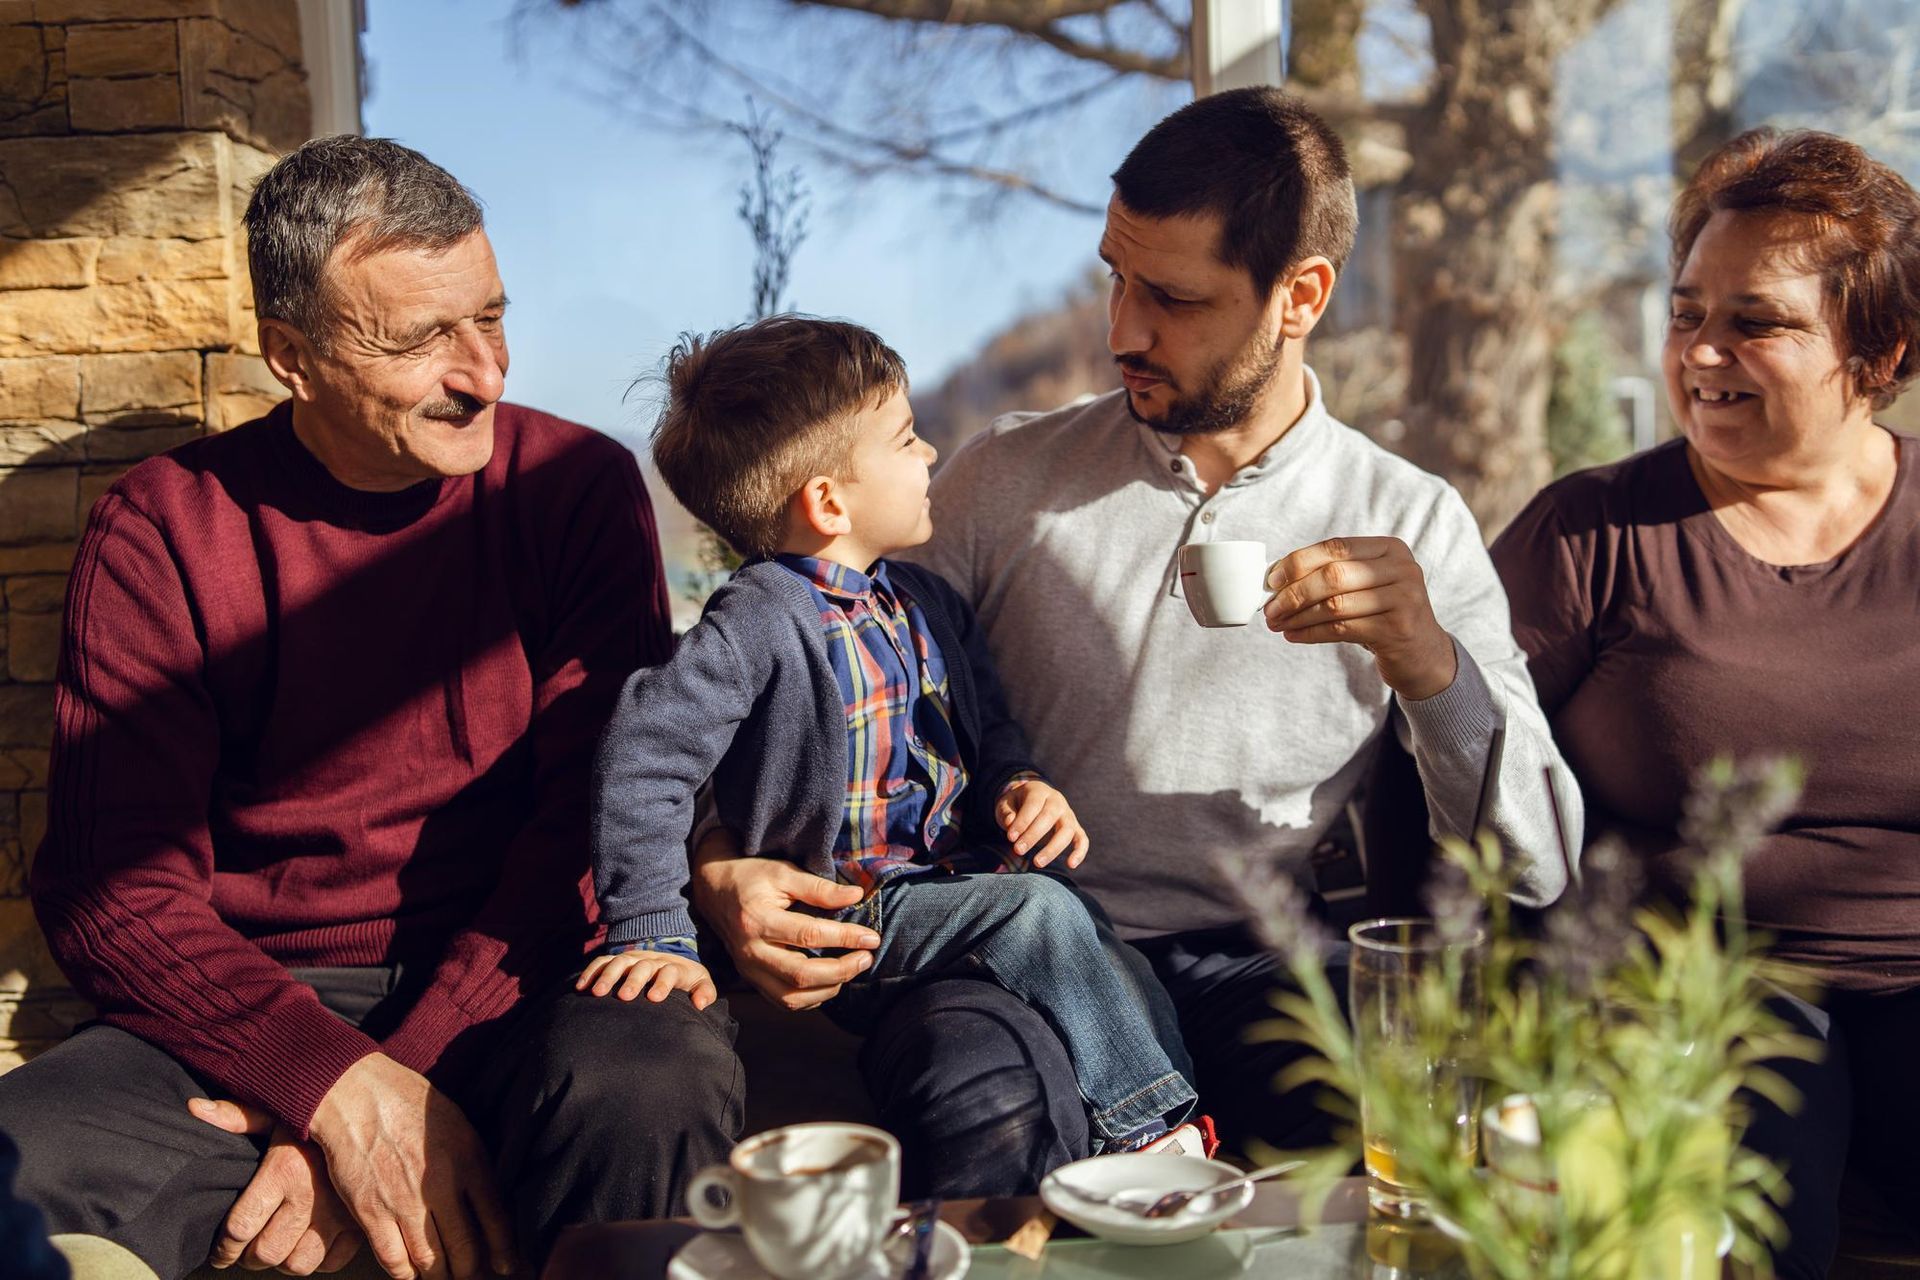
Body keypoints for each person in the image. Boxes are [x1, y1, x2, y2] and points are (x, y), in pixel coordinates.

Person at [688, 86, 1580, 1190]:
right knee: (978, 1100)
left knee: (1397, 1113)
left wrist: (1429, 666)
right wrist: (721, 857)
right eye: (1115, 276)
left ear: (1299, 296)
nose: (1122, 331)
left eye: (1170, 296)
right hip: (1003, 948)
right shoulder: (1000, 481)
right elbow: (805, 671)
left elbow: (1540, 857)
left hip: (1256, 953)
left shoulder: (1409, 519)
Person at [0, 136, 741, 1280]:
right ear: (291, 356)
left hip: (518, 987)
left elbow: (591, 837)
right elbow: (114, 894)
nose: (484, 372)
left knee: (651, 1077)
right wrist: (334, 1091)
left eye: (490, 317)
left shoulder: (573, 489)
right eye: (419, 339)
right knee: (22, 1152)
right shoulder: (160, 528)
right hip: (254, 1007)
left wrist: (412, 1078)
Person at [583, 315, 1206, 1157]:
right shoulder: (760, 618)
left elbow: (988, 734)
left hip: (953, 886)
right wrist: (653, 925)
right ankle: (1152, 1138)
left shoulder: (924, 602)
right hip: (852, 914)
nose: (929, 457)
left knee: (1090, 928)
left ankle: (1181, 1120)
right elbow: (646, 757)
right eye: (907, 439)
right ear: (829, 500)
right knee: (1037, 912)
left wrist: (1018, 785)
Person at [1491, 127, 1920, 1280]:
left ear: (1876, 351)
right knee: (1761, 1216)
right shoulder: (1589, 532)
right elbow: (1452, 772)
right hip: (1693, 981)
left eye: (1756, 320)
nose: (1702, 350)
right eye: (1687, 312)